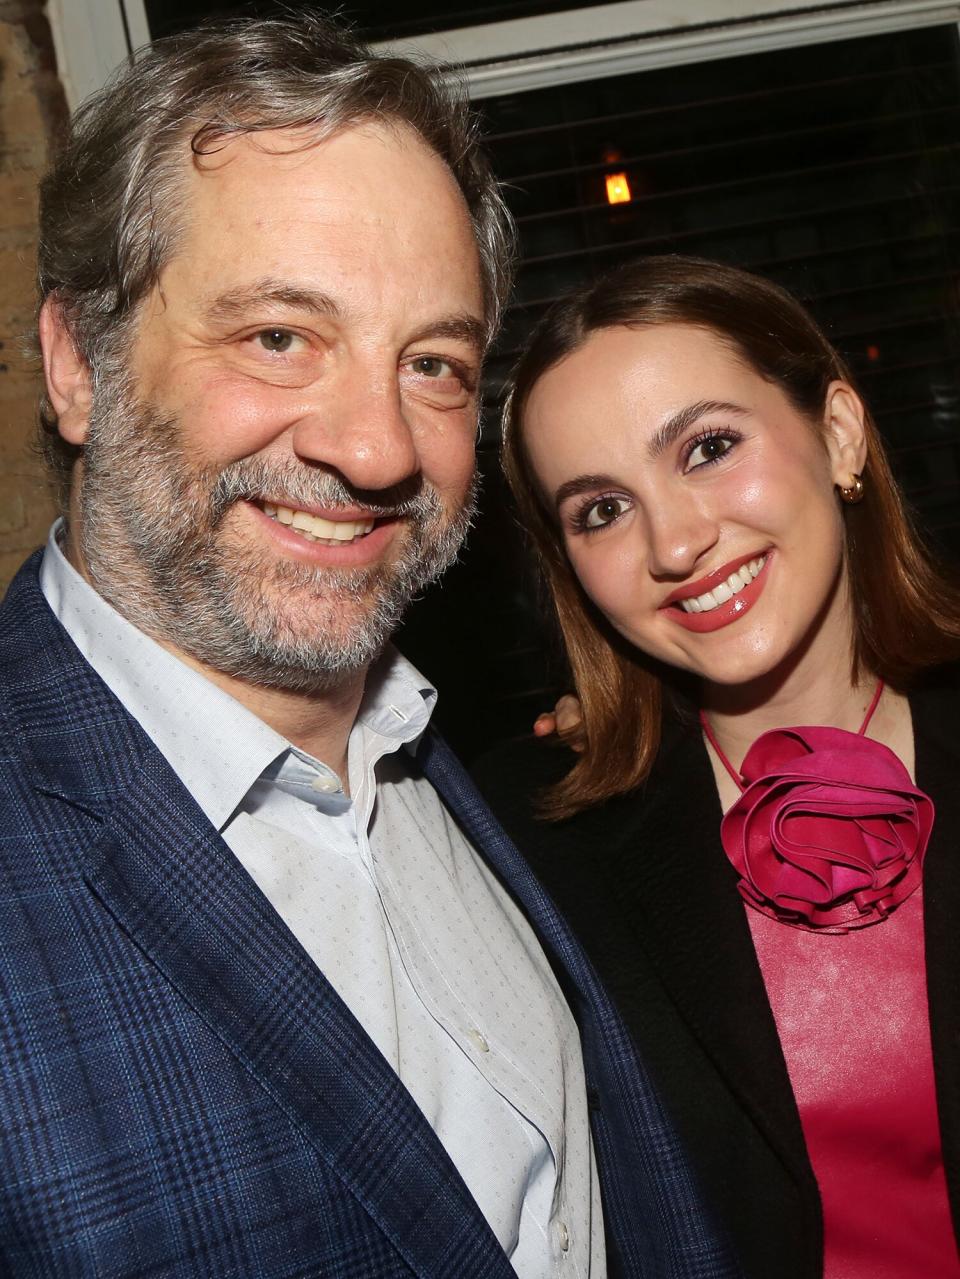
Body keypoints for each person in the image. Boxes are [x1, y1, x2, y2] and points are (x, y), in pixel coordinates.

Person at [0, 17, 743, 1279]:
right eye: (280, 334)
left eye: (434, 363)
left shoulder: (481, 785)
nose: (379, 447)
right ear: (79, 362)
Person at [474, 254, 960, 1279]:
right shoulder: (530, 849)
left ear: (838, 433)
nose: (678, 540)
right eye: (600, 509)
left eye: (706, 447)